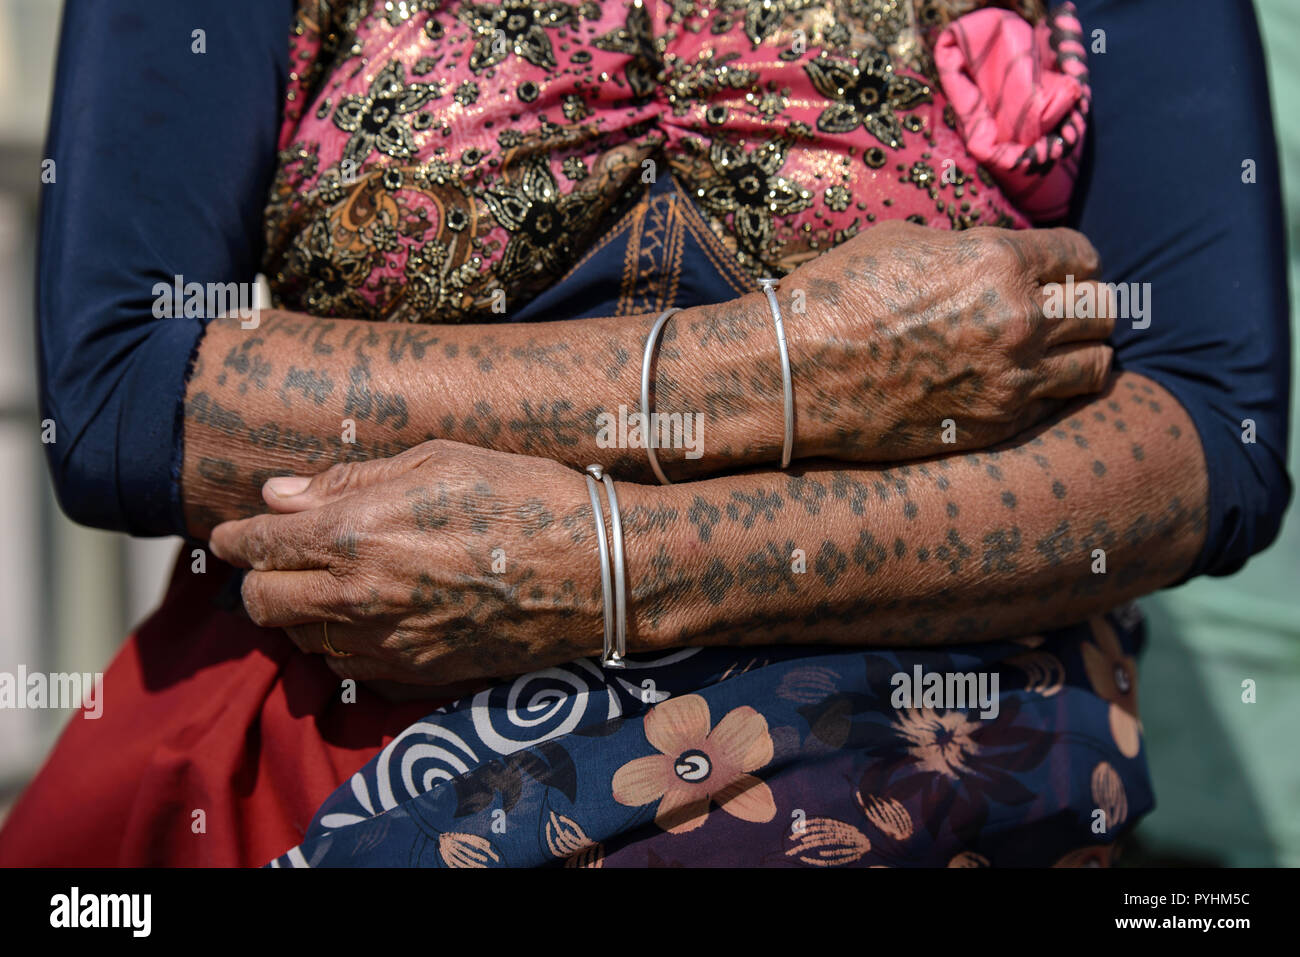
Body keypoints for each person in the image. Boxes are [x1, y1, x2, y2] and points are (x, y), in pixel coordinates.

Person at [0, 0, 1288, 867]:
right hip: (359, 731)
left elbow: (1210, 431)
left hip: (920, 763)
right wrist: (777, 370)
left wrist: (615, 565)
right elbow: (122, 390)